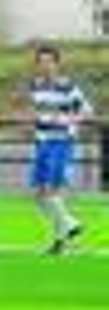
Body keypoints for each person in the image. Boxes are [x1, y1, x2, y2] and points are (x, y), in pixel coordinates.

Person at [26, 43, 92, 254]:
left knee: (52, 190)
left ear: (57, 64)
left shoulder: (68, 86)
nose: (45, 66)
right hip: (41, 142)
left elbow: (87, 111)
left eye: (49, 62)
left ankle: (61, 239)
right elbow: (36, 111)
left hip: (61, 141)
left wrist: (67, 119)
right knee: (37, 193)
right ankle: (69, 225)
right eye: (41, 62)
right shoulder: (35, 86)